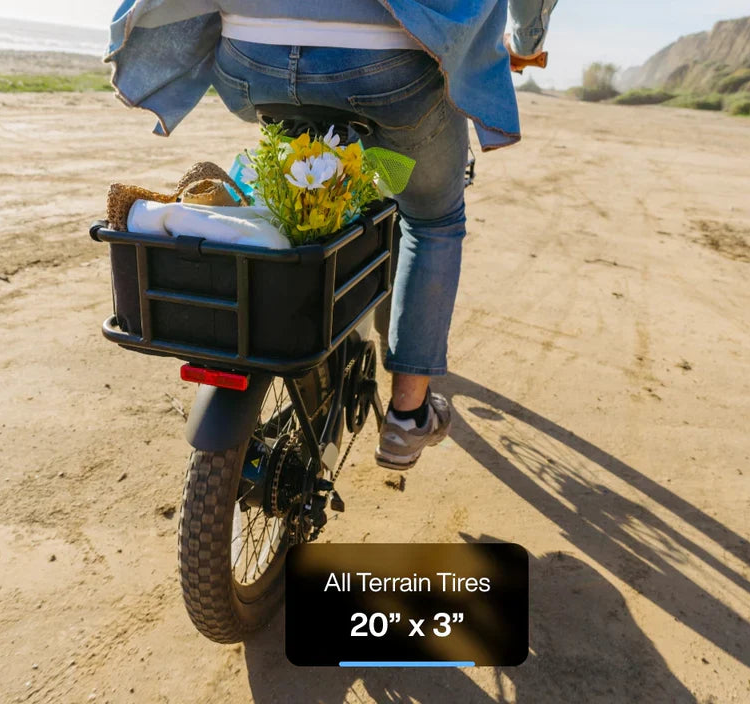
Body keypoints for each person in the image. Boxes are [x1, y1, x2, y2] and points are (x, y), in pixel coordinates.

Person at [106, 0, 557, 470]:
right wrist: (527, 43)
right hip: (388, 59)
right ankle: (408, 416)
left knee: (294, 183)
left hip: (251, 54)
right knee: (432, 220)